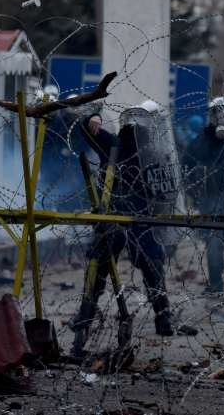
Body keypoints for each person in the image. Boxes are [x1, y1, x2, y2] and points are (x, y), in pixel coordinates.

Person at [70, 102, 193, 356]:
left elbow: (168, 188)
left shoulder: (158, 152)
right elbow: (84, 127)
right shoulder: (114, 144)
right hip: (114, 216)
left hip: (141, 219)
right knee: (100, 265)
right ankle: (85, 318)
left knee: (152, 263)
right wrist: (93, 116)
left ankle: (163, 316)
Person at [183, 97, 224, 297]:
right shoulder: (203, 139)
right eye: (217, 112)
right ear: (210, 116)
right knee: (214, 245)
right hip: (210, 200)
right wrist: (194, 194)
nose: (221, 116)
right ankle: (216, 285)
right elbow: (187, 165)